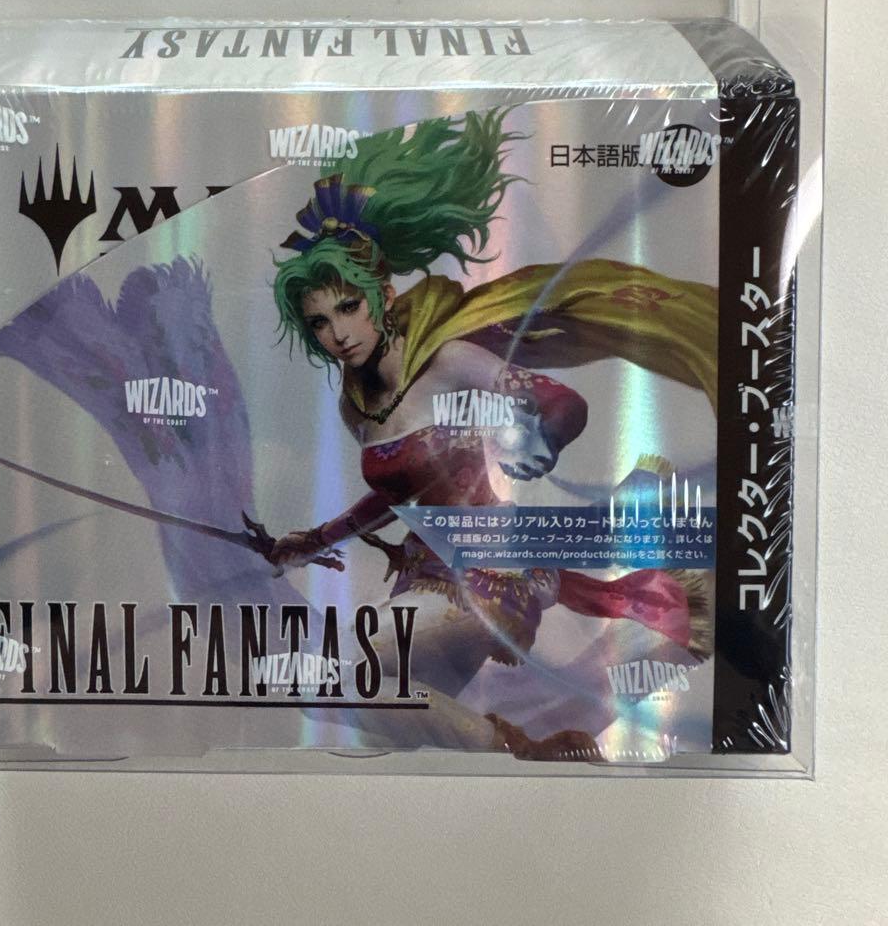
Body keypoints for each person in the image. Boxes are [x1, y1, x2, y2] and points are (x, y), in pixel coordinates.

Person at [267, 109, 716, 760]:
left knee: (344, 677)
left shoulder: (447, 363)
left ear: (381, 294)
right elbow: (397, 495)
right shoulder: (354, 404)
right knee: (385, 712)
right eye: (318, 323)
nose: (338, 333)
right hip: (421, 583)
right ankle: (537, 749)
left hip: (487, 579)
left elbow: (562, 403)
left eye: (348, 307)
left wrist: (542, 440)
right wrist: (315, 540)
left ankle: (524, 749)